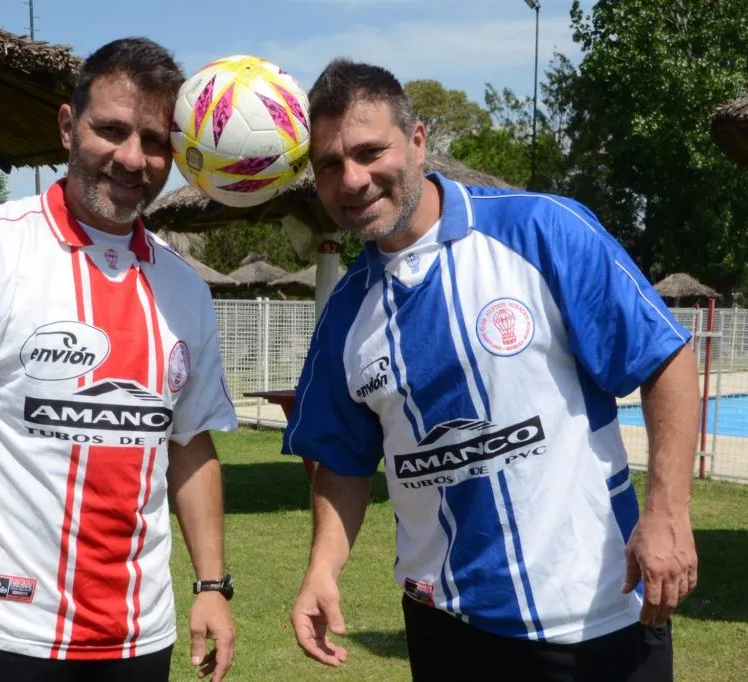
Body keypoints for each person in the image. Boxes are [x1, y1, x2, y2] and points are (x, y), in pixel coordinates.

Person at [283, 58, 699, 682]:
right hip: (447, 627)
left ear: (419, 140)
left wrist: (667, 511)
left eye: (372, 151)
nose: (354, 179)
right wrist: (321, 567)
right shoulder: (346, 315)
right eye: (329, 165)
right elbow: (343, 460)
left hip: (596, 614)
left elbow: (664, 357)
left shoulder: (541, 231)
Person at [0, 37, 238, 682]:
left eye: (154, 141)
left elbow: (191, 443)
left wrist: (212, 584)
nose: (132, 158)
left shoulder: (185, 287)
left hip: (139, 633)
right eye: (111, 130)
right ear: (68, 126)